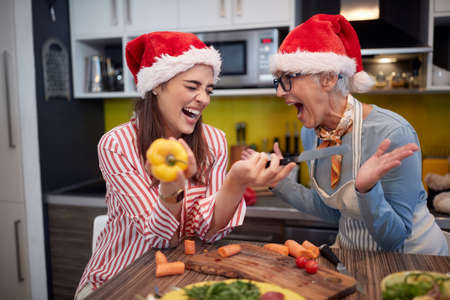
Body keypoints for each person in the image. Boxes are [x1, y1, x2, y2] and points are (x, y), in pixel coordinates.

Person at [75, 31, 294, 300]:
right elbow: (159, 238)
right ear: (157, 84)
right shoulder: (117, 145)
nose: (204, 98)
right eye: (192, 87)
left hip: (182, 281)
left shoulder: (214, 141)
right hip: (115, 281)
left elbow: (209, 232)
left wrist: (236, 181)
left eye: (208, 89)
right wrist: (172, 186)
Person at [242, 14, 448, 256]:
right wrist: (277, 182)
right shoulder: (311, 133)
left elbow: (394, 239)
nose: (279, 92)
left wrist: (367, 190)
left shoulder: (393, 134)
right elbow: (331, 209)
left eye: (288, 79)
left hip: (413, 263)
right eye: (278, 81)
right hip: (353, 259)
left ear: (328, 78)